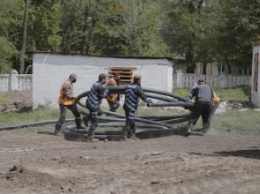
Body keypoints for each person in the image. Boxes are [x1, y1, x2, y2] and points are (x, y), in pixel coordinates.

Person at [121, 75, 153, 141]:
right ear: (138, 80)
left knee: (132, 121)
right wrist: (151, 102)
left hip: (126, 106)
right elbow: (144, 97)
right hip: (131, 106)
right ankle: (123, 136)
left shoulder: (128, 86)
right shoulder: (138, 88)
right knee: (129, 121)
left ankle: (132, 136)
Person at [85, 73, 108, 142]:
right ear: (103, 79)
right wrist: (107, 91)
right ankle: (90, 138)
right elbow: (102, 96)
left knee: (100, 112)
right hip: (93, 104)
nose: (106, 80)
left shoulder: (95, 83)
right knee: (95, 121)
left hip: (90, 102)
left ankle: (86, 118)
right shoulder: (100, 86)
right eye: (105, 79)